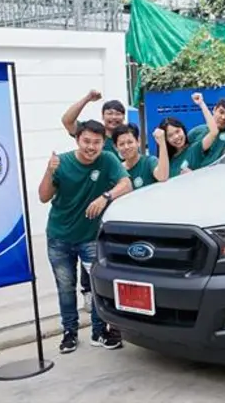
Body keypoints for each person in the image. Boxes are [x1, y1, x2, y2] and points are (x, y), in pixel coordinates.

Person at [39, 120, 132, 354]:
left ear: (103, 143)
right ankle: (69, 333)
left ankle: (98, 332)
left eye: (96, 142)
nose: (91, 147)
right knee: (65, 288)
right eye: (86, 141)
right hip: (59, 238)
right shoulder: (62, 162)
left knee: (97, 287)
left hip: (90, 238)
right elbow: (43, 196)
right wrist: (49, 171)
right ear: (78, 139)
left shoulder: (108, 159)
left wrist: (105, 197)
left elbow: (126, 184)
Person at [60, 89, 127, 311]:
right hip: (92, 203)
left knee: (109, 250)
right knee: (88, 246)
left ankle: (114, 292)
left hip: (116, 202)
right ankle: (88, 291)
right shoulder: (93, 136)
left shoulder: (125, 137)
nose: (114, 117)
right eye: (110, 113)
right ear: (103, 115)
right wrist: (87, 98)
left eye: (118, 113)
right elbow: (67, 121)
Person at [159, 92, 219, 177]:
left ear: (183, 129)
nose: (176, 137)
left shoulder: (194, 149)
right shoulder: (167, 162)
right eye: (170, 135)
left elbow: (214, 132)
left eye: (177, 131)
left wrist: (201, 104)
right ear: (166, 140)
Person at [112, 123, 170, 189]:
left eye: (130, 142)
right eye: (121, 144)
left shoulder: (149, 161)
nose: (126, 147)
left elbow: (162, 177)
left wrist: (162, 143)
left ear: (138, 141)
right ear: (115, 147)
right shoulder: (117, 171)